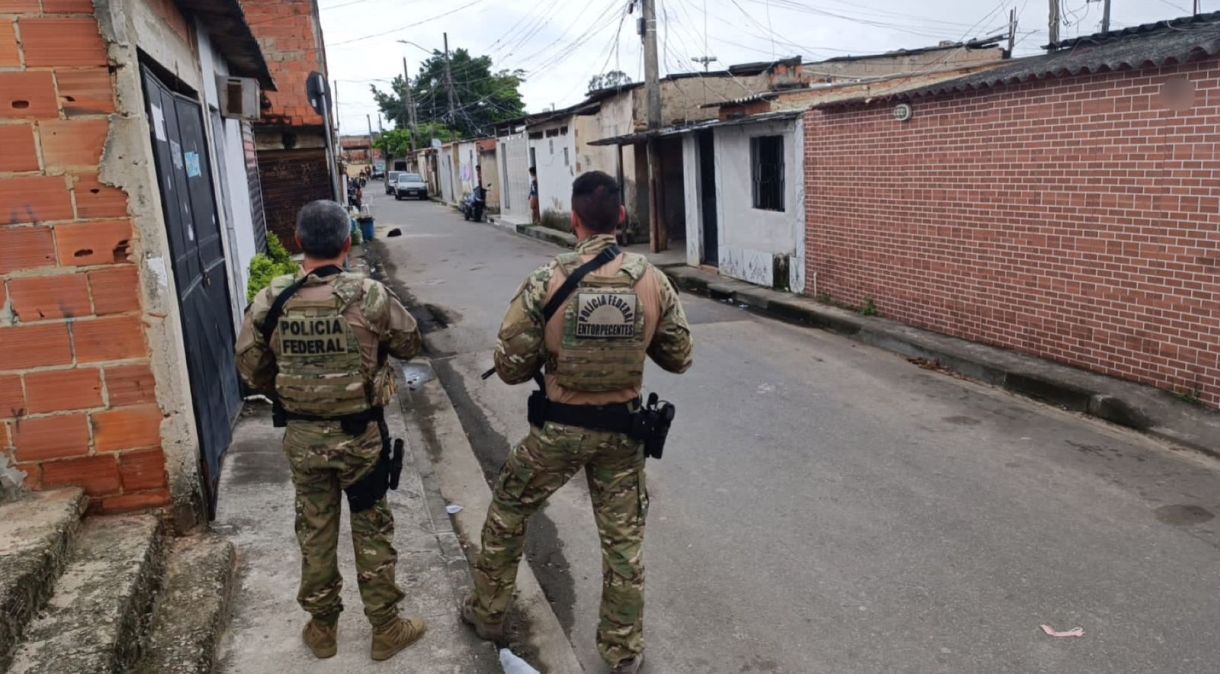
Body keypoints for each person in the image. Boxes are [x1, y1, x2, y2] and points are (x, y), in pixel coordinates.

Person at [461, 171, 693, 674]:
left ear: (574, 219)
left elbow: (509, 367)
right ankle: (622, 650)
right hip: (623, 434)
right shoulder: (653, 280)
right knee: (623, 545)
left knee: (507, 511)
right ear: (623, 218)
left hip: (558, 434)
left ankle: (490, 615)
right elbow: (679, 357)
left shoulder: (546, 280)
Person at [235, 200, 426, 663]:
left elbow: (250, 366)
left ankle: (322, 630)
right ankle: (385, 628)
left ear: (299, 243)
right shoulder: (370, 295)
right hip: (361, 439)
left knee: (315, 529)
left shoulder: (272, 297)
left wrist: (290, 391)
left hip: (302, 438)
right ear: (347, 243)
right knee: (372, 527)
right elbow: (410, 342)